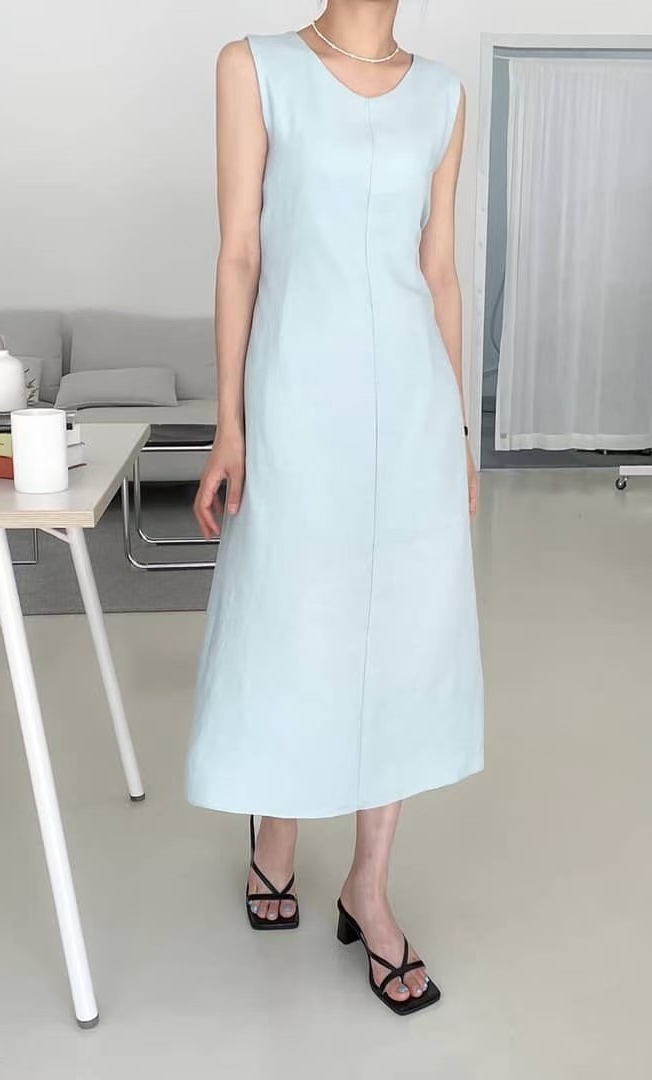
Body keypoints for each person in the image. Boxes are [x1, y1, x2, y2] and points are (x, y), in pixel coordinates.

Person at [186, 0, 483, 1016]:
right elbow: (240, 252)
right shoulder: (254, 67)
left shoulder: (444, 95)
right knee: (292, 619)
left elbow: (438, 272)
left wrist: (457, 431)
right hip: (294, 397)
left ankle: (370, 886)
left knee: (401, 634)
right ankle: (277, 830)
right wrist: (229, 423)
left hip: (412, 407)